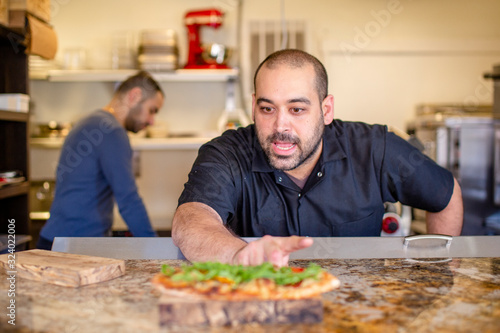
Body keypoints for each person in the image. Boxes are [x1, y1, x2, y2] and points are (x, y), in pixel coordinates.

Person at [172, 49, 463, 267]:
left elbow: (445, 196)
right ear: (253, 106)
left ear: (326, 110)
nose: (280, 126)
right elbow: (191, 220)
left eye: (297, 109)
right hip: (261, 308)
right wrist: (239, 255)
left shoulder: (375, 149)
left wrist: (435, 273)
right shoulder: (227, 153)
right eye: (267, 109)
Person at [37, 71, 164, 250]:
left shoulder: (90, 122)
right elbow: (129, 200)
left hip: (56, 241)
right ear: (134, 96)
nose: (152, 121)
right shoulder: (112, 132)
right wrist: (156, 250)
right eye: (152, 110)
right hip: (76, 248)